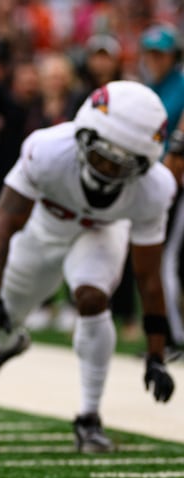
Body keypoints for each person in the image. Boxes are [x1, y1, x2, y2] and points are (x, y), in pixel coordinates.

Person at [0, 81, 177, 453]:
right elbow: (3, 224)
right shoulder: (47, 149)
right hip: (42, 232)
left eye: (120, 162)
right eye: (102, 156)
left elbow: (148, 276)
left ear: (142, 165)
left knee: (92, 299)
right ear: (83, 135)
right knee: (5, 322)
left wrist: (157, 355)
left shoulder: (154, 188)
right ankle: (4, 349)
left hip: (101, 234)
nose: (108, 169)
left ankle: (89, 418)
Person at [138, 24, 184, 348]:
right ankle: (165, 334)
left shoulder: (180, 84)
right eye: (151, 53)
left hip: (175, 180)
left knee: (166, 258)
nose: (155, 59)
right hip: (158, 180)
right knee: (160, 258)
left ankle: (172, 336)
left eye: (161, 53)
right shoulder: (151, 86)